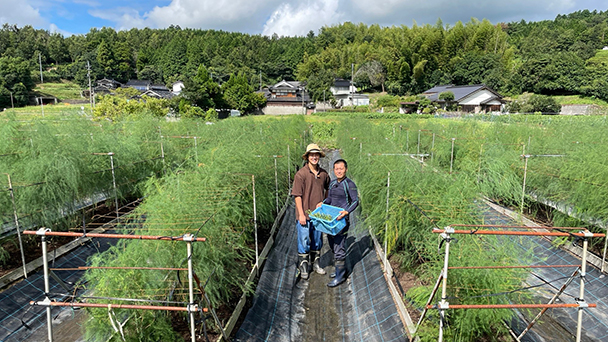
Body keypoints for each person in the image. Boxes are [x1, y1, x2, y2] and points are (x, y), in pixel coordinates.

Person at [291, 143, 330, 280]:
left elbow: (328, 189)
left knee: (318, 241)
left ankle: (316, 265)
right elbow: (297, 195)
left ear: (319, 156)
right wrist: (301, 214)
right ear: (307, 157)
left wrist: (324, 202)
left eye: (316, 154)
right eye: (311, 155)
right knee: (304, 240)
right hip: (305, 215)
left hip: (318, 215)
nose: (314, 157)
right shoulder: (301, 175)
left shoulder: (324, 174)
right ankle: (303, 267)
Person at [321, 159, 359, 287]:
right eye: (336, 169)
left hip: (341, 220)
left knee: (339, 246)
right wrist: (323, 203)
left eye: (341, 168)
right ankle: (341, 271)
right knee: (331, 243)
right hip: (331, 219)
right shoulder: (332, 184)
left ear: (346, 169)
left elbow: (355, 201)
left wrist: (346, 212)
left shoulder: (349, 184)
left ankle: (340, 276)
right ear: (333, 170)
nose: (339, 171)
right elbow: (330, 198)